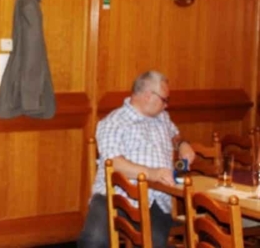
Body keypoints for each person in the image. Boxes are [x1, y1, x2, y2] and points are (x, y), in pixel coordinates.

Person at [78, 70, 195, 248]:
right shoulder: (114, 121)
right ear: (148, 95)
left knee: (154, 242)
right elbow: (115, 163)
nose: (166, 106)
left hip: (155, 199)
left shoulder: (162, 118)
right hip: (115, 195)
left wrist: (182, 144)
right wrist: (152, 173)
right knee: (94, 240)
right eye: (164, 100)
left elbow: (175, 136)